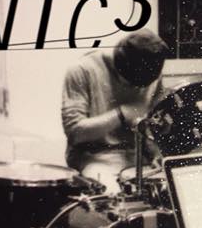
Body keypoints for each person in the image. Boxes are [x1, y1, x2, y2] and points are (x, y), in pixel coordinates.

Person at [61, 29, 170, 193]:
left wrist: (156, 153)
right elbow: (75, 132)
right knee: (115, 196)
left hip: (138, 156)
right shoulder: (82, 69)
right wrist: (122, 113)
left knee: (172, 190)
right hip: (94, 157)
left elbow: (152, 125)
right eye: (131, 84)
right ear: (117, 66)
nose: (138, 89)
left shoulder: (152, 71)